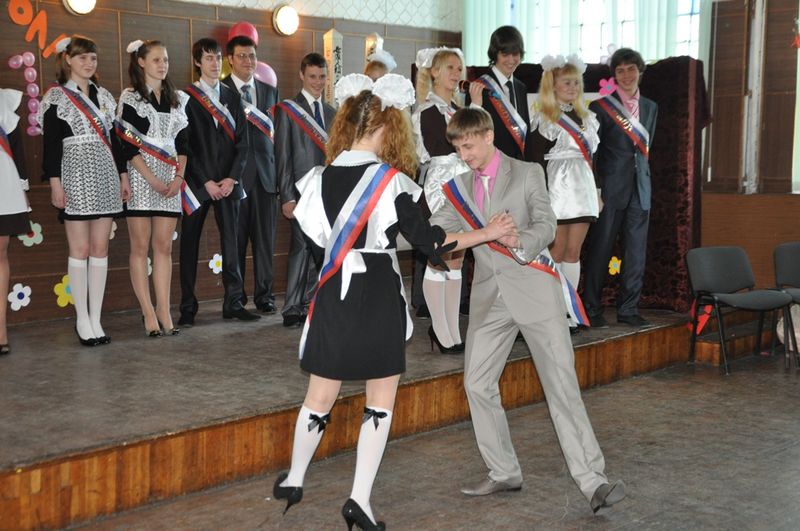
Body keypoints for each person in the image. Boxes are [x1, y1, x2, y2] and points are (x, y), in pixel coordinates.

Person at [272, 74, 516, 530]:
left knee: (319, 395)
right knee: (379, 400)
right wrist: (488, 232)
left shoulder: (318, 180)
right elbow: (433, 244)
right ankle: (359, 500)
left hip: (334, 291)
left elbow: (313, 245)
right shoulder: (393, 183)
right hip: (379, 295)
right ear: (387, 126)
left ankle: (295, 479)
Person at [430, 107, 626, 514]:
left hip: (535, 289)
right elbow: (437, 237)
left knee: (561, 386)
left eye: (468, 146)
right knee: (477, 383)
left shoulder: (526, 172)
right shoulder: (458, 187)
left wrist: (521, 241)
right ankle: (503, 470)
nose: (464, 156)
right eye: (458, 149)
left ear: (488, 136)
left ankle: (594, 481)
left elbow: (547, 223)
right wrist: (483, 234)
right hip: (489, 298)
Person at [40, 35, 126, 347]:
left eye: (92, 58)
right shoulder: (56, 97)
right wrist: (54, 182)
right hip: (74, 175)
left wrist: (123, 175)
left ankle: (96, 318)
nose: (88, 63)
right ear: (67, 59)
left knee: (100, 249)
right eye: (82, 58)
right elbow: (51, 145)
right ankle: (82, 319)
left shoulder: (104, 97)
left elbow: (116, 141)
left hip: (106, 175)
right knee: (80, 249)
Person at [178, 37, 258, 326]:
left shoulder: (232, 97)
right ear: (197, 62)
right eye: (208, 58)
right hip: (197, 183)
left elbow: (243, 144)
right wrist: (205, 181)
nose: (214, 63)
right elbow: (184, 145)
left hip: (227, 183)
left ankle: (234, 302)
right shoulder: (185, 98)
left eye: (218, 58)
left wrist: (232, 177)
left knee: (232, 242)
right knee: (189, 243)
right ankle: (187, 307)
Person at [116, 39, 188, 336]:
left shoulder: (177, 99)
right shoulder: (131, 98)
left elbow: (184, 143)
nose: (163, 65)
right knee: (140, 246)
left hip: (171, 178)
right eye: (156, 59)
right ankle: (147, 312)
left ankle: (164, 310)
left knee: (164, 246)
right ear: (141, 62)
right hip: (141, 176)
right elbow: (127, 145)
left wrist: (179, 177)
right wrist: (151, 179)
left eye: (165, 60)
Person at [584, 48, 658, 328]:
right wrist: (596, 190)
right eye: (620, 71)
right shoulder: (601, 107)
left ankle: (628, 309)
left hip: (641, 188)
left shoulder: (651, 107)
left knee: (636, 253)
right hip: (610, 190)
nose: (626, 75)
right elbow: (592, 155)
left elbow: (645, 149)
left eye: (631, 69)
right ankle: (592, 309)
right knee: (600, 249)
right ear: (614, 75)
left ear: (640, 71)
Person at [528, 54, 600, 331]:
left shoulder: (587, 118)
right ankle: (552, 309)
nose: (572, 87)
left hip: (582, 190)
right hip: (555, 189)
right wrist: (538, 196)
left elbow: (594, 159)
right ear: (553, 85)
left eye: (576, 82)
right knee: (555, 250)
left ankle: (571, 309)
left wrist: (598, 192)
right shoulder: (544, 118)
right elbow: (533, 162)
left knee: (573, 251)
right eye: (566, 82)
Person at [412, 47, 468, 353]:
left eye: (459, 68)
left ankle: (452, 330)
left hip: (463, 182)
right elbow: (440, 147)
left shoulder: (458, 109)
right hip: (441, 186)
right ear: (434, 72)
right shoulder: (427, 110)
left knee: (457, 258)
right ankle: (440, 330)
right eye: (450, 67)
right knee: (441, 255)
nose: (456, 73)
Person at [275, 53, 336, 328]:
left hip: (326, 192)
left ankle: (309, 303)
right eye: (312, 76)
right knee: (300, 246)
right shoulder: (288, 110)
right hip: (299, 192)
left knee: (319, 246)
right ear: (301, 75)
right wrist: (286, 196)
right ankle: (291, 307)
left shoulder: (332, 113)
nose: (318, 82)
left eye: (322, 76)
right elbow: (283, 156)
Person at [223, 35, 280, 314]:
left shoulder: (270, 91)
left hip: (266, 178)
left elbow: (277, 137)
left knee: (265, 241)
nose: (248, 61)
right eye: (242, 56)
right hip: (235, 177)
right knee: (235, 241)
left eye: (252, 56)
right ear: (230, 59)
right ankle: (234, 298)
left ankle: (265, 296)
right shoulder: (220, 91)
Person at [466, 25, 530, 161]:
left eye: (515, 54)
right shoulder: (479, 87)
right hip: (491, 163)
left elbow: (525, 131)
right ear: (495, 54)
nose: (511, 60)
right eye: (505, 54)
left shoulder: (521, 88)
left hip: (518, 164)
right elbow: (470, 132)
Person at [0, 87, 31, 355]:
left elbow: (16, 145)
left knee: (0, 252)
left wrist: (22, 186)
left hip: (3, 182)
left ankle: (0, 331)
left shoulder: (3, 100)